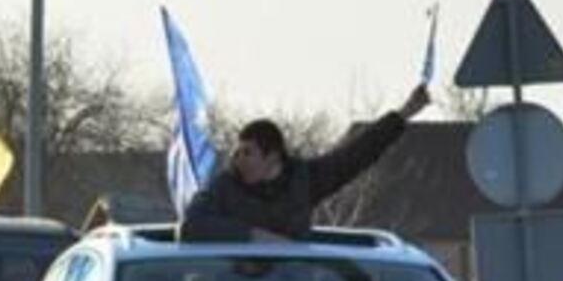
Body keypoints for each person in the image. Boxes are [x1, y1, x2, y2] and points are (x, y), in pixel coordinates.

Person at [180, 85, 431, 243]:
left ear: (273, 157)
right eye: (237, 153)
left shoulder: (305, 180)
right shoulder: (225, 187)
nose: (238, 161)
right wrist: (254, 236)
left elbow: (356, 155)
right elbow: (191, 226)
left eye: (248, 154)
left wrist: (403, 114)